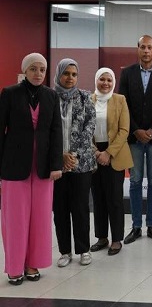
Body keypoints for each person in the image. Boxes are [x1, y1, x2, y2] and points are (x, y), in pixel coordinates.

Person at [0, 53, 62, 285]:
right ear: (25, 70)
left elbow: (56, 131)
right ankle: (14, 267)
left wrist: (56, 165)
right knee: (15, 218)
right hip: (14, 165)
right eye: (33, 69)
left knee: (40, 217)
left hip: (43, 167)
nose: (38, 73)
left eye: (42, 69)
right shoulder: (9, 94)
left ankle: (32, 263)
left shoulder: (51, 96)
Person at [119, 35, 152, 244]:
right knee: (135, 181)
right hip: (134, 138)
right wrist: (136, 130)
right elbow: (123, 105)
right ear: (138, 49)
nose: (146, 51)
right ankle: (136, 227)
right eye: (143, 47)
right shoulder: (127, 73)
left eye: (150, 47)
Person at [52, 59, 97, 267]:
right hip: (56, 164)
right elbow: (46, 130)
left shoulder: (85, 97)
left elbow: (89, 128)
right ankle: (64, 251)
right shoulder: (49, 97)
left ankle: (83, 249)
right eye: (66, 73)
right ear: (59, 74)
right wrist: (60, 155)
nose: (70, 78)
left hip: (81, 163)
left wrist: (72, 155)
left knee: (80, 208)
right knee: (60, 209)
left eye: (74, 74)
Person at [90, 68, 133, 256]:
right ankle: (101, 237)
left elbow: (124, 130)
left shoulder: (120, 100)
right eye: (102, 79)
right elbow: (83, 129)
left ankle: (116, 239)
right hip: (93, 154)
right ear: (96, 80)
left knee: (114, 199)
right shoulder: (88, 100)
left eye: (109, 80)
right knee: (98, 198)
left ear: (113, 82)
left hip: (114, 154)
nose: (105, 83)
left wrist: (108, 153)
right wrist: (95, 152)